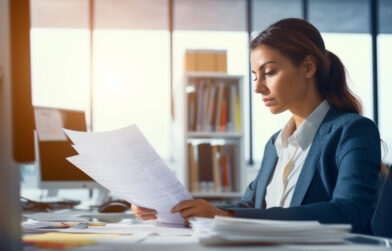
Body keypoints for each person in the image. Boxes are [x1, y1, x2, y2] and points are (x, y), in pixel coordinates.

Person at [131, 18, 381, 234]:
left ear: (308, 67)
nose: (258, 87)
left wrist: (228, 219)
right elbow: (250, 206)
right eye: (255, 76)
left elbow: (350, 211)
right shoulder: (275, 144)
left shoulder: (352, 131)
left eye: (269, 72)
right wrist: (175, 209)